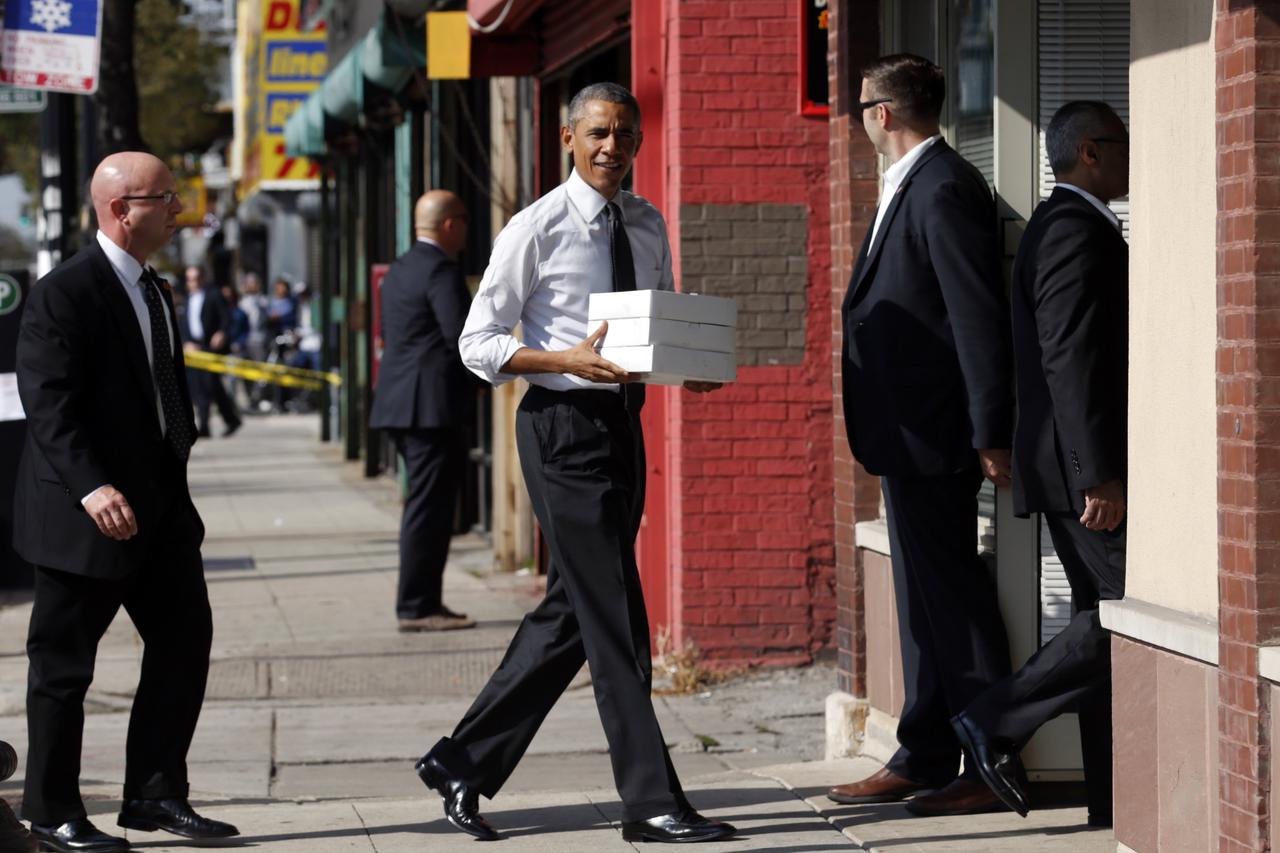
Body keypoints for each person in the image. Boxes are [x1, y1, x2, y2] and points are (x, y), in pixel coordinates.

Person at [416, 82, 735, 844]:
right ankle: (650, 801)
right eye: (597, 133)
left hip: (623, 424)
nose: (611, 149)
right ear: (567, 137)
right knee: (619, 619)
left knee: (572, 611)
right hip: (559, 426)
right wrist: (558, 358)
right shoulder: (537, 227)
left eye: (624, 136)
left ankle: (460, 759)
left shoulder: (648, 221)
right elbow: (478, 342)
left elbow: (651, 320)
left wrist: (685, 363)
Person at [12, 151, 238, 852]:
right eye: (164, 198)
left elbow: (158, 384)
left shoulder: (153, 286)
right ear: (121, 209)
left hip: (162, 511)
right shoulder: (66, 292)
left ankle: (154, 793)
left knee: (183, 642)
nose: (178, 209)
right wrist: (91, 485)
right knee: (64, 667)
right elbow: (48, 403)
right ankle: (51, 810)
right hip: (88, 515)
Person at [829, 54, 1016, 816]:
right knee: (924, 598)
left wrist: (990, 429)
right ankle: (927, 748)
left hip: (940, 436)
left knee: (954, 600)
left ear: (883, 113)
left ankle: (990, 758)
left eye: (861, 108)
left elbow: (975, 317)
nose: (860, 120)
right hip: (904, 436)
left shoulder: (940, 188)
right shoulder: (907, 185)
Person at [950, 101, 1129, 828]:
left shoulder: (1066, 226)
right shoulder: (1072, 231)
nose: (1130, 157)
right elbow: (1069, 357)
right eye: (1121, 145)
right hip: (1078, 472)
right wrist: (1097, 472)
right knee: (1123, 616)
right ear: (1091, 151)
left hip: (1067, 466)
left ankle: (1109, 803)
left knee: (1101, 621)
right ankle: (992, 718)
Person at [369, 190, 477, 632]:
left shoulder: (399, 269)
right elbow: (462, 337)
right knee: (428, 509)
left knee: (426, 506)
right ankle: (417, 605)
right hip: (430, 408)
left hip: (400, 403)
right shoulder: (441, 271)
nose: (468, 229)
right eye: (465, 219)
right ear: (449, 224)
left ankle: (424, 599)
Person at [183, 265, 242, 438]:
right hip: (194, 348)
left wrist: (221, 333)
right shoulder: (188, 299)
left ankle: (207, 425)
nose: (192, 283)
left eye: (195, 278)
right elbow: (184, 324)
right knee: (202, 387)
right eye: (189, 279)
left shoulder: (214, 295)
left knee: (209, 385)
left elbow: (226, 317)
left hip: (210, 347)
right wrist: (186, 341)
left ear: (202, 278)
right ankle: (227, 420)